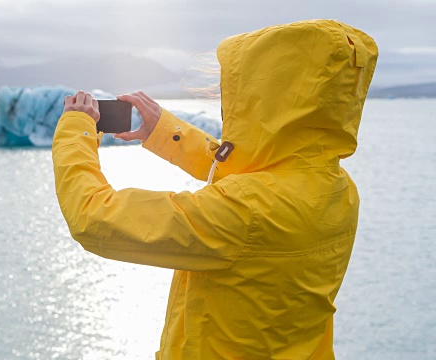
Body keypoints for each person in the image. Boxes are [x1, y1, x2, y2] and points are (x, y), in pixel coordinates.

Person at [51, 19, 378, 359]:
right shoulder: (337, 188)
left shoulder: (245, 209)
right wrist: (167, 133)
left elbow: (93, 218)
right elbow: (263, 167)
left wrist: (77, 129)